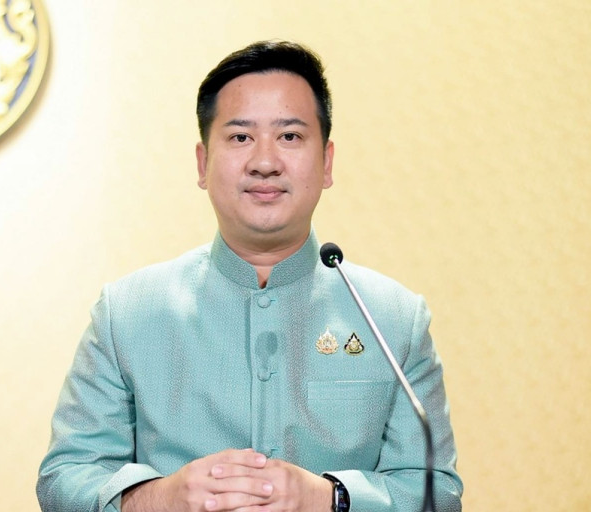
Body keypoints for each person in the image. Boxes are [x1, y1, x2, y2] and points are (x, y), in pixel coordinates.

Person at [37, 40, 463, 512]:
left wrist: (331, 498)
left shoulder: (394, 319)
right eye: (240, 137)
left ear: (326, 163)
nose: (265, 162)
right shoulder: (127, 312)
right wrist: (159, 498)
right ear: (203, 163)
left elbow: (438, 493)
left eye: (290, 137)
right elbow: (63, 477)